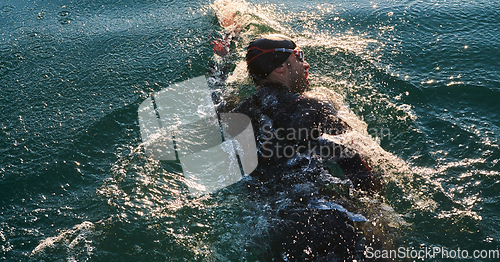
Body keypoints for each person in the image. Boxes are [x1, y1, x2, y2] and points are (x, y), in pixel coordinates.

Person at [231, 34, 384, 261]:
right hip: (329, 218)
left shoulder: (236, 116)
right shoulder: (310, 107)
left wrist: (226, 47)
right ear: (281, 68)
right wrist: (378, 216)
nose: (306, 64)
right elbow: (356, 163)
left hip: (274, 223)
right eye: (299, 57)